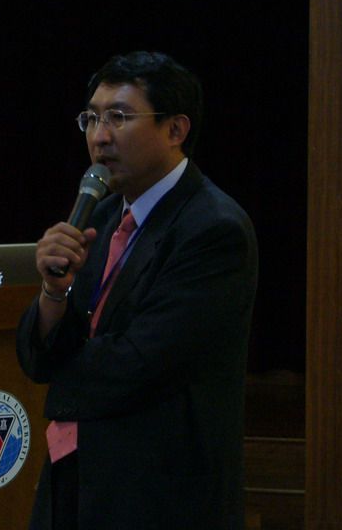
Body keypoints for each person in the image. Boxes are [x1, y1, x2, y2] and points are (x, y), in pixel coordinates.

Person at [16, 51, 258, 530]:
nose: (99, 136)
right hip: (78, 478)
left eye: (119, 117)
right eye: (91, 118)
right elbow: (38, 359)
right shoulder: (103, 216)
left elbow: (140, 363)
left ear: (175, 129)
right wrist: (52, 292)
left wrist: (60, 376)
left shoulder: (212, 229)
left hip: (158, 493)